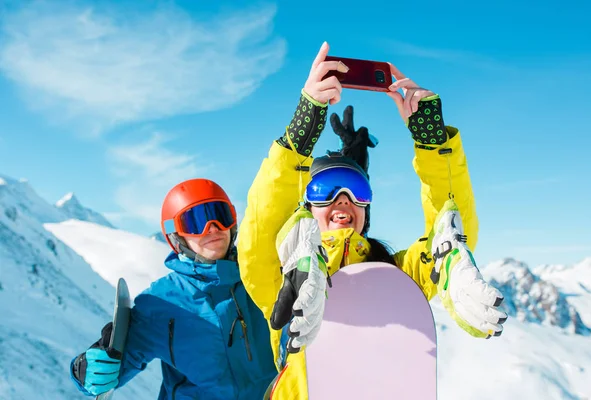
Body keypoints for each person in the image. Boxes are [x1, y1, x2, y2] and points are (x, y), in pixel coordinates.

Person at [237, 41, 508, 400]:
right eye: (325, 189)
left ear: (367, 209)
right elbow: (261, 228)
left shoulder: (397, 276)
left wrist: (432, 144)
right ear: (305, 205)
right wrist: (300, 133)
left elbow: (450, 231)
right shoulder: (285, 279)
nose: (342, 200)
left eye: (355, 189)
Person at [69, 179, 278, 399]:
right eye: (196, 221)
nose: (213, 228)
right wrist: (85, 370)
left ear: (233, 221)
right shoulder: (161, 303)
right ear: (175, 235)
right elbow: (111, 374)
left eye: (220, 214)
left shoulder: (261, 276)